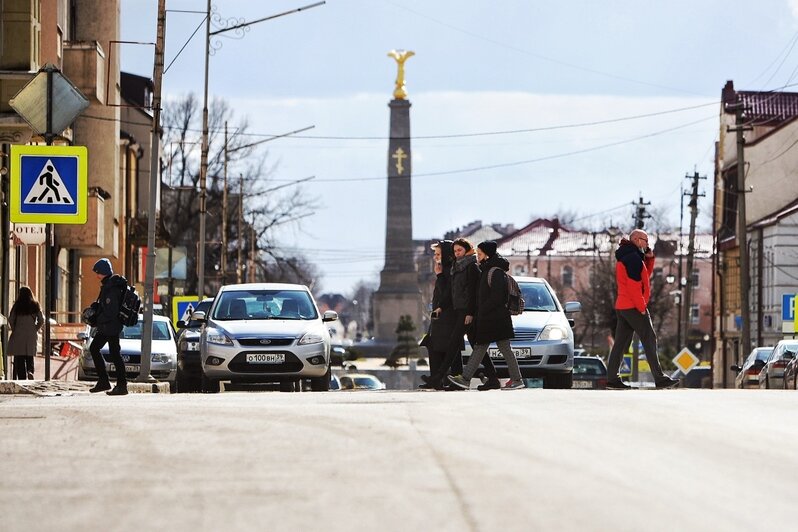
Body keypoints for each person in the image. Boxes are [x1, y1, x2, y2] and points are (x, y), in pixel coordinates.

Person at [605, 229, 678, 389]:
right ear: (637, 240)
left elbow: (644, 275)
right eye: (645, 240)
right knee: (649, 338)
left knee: (620, 343)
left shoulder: (629, 256)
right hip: (633, 306)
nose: (648, 244)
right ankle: (660, 379)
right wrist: (641, 307)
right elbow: (634, 286)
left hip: (623, 306)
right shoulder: (632, 258)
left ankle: (612, 379)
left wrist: (650, 259)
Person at [449, 241, 525, 390]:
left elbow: (497, 297)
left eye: (480, 253)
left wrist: (482, 310)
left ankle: (466, 379)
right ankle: (516, 379)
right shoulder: (487, 269)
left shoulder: (494, 272)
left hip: (494, 319)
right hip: (492, 318)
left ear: (487, 255)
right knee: (489, 348)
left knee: (485, 348)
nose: (478, 256)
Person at [421, 237, 490, 389]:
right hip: (458, 312)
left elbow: (470, 292)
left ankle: (441, 378)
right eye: (455, 251)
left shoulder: (468, 267)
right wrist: (440, 306)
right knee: (475, 345)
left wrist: (469, 312)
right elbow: (452, 293)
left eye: (459, 250)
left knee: (454, 346)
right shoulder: (456, 267)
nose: (457, 253)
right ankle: (490, 376)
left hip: (462, 313)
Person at [419, 240, 456, 390]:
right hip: (439, 316)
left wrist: (440, 276)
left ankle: (440, 379)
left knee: (441, 347)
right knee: (432, 345)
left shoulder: (449, 271)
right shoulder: (444, 270)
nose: (435, 256)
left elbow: (448, 293)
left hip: (447, 315)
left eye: (438, 254)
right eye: (435, 254)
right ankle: (435, 378)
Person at [89, 258, 129, 395]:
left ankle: (118, 384)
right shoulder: (109, 285)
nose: (96, 275)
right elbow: (106, 306)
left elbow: (111, 311)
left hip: (109, 326)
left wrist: (98, 319)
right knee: (110, 352)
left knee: (101, 350)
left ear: (102, 272)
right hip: (110, 326)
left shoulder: (111, 287)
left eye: (97, 272)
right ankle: (107, 382)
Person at [8, 286, 45, 380]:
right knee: (29, 355)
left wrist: (14, 329)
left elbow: (11, 319)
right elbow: (41, 320)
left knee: (19, 356)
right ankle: (30, 371)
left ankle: (22, 377)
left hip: (19, 333)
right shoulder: (35, 305)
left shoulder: (17, 306)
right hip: (31, 334)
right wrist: (35, 328)